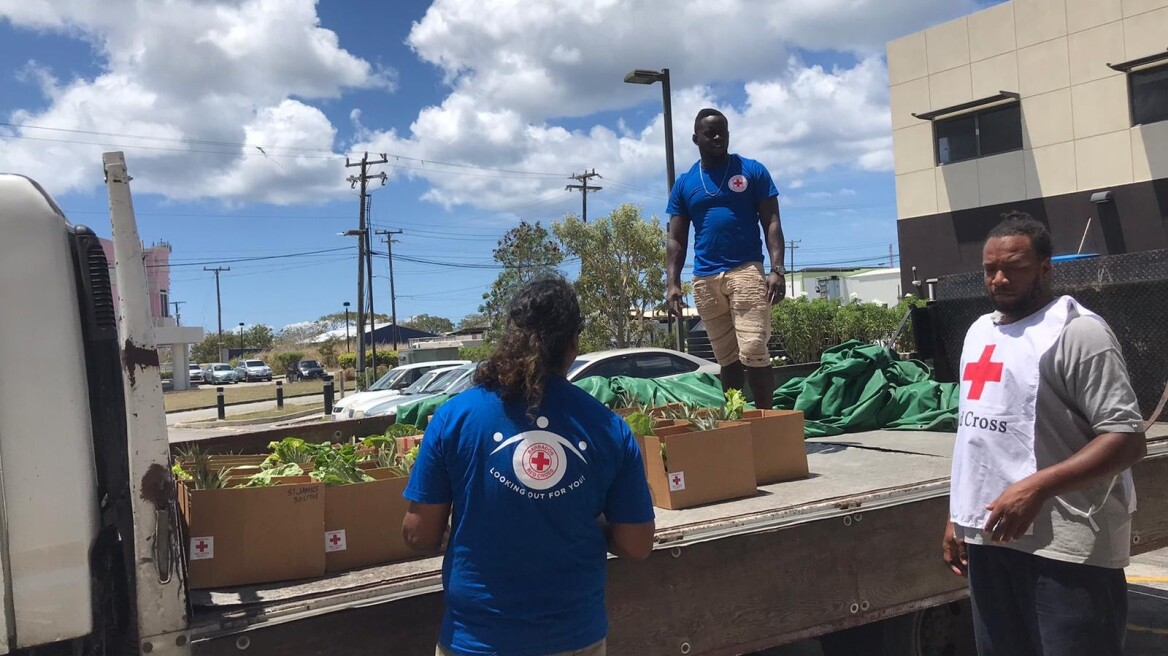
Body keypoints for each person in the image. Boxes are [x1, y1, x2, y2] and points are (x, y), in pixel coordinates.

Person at [402, 277, 656, 656]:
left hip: (476, 641)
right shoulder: (609, 427)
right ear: (573, 343)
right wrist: (591, 524)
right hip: (574, 639)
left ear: (510, 336)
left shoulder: (453, 418)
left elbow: (419, 534)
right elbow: (637, 545)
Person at [942, 212, 1147, 655]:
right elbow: (977, 436)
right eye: (989, 269)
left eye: (1013, 267)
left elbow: (1127, 438)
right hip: (991, 539)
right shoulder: (980, 332)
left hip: (1067, 547)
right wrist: (959, 517)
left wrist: (1036, 486)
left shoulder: (1079, 333)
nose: (998, 279)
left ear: (1046, 268)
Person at [666, 108, 786, 409]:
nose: (718, 137)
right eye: (710, 133)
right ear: (696, 138)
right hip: (705, 278)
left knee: (755, 349)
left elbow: (771, 221)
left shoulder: (752, 170)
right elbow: (676, 239)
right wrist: (672, 283)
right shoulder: (685, 183)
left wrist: (777, 269)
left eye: (723, 131)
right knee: (726, 358)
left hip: (746, 270)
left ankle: (766, 423)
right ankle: (736, 421)